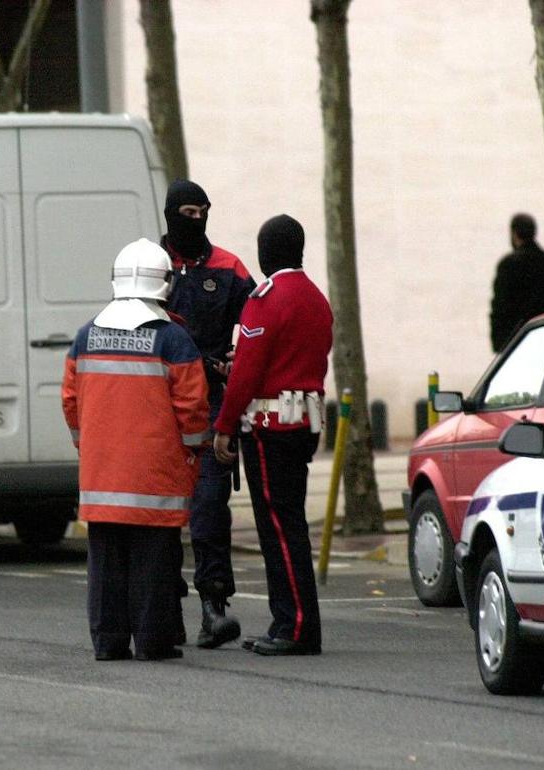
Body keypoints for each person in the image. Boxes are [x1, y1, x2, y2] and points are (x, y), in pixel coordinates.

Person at [62, 238, 210, 662]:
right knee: (155, 563)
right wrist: (194, 453)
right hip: (155, 479)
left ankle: (108, 642)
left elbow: (71, 402)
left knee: (105, 564)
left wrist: (88, 446)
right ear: (164, 284)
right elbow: (194, 411)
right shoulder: (174, 340)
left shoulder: (85, 337)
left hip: (102, 477)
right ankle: (152, 641)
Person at [212, 214, 332, 656]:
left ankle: (296, 625)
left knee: (279, 530)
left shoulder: (266, 299)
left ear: (268, 252)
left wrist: (224, 426)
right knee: (290, 524)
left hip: (268, 428)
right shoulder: (317, 298)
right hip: (303, 423)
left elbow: (248, 373)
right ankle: (289, 619)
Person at [161, 179, 256, 649]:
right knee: (157, 509)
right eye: (187, 213)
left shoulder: (228, 267)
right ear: (170, 215)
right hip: (156, 406)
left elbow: (259, 325)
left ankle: (213, 607)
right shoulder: (150, 267)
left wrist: (239, 363)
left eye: (203, 212)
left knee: (208, 510)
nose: (196, 221)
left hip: (213, 405)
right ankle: (161, 605)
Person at [489, 213, 544, 353]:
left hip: (514, 339)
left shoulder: (508, 264)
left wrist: (498, 344)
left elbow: (500, 306)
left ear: (514, 234)